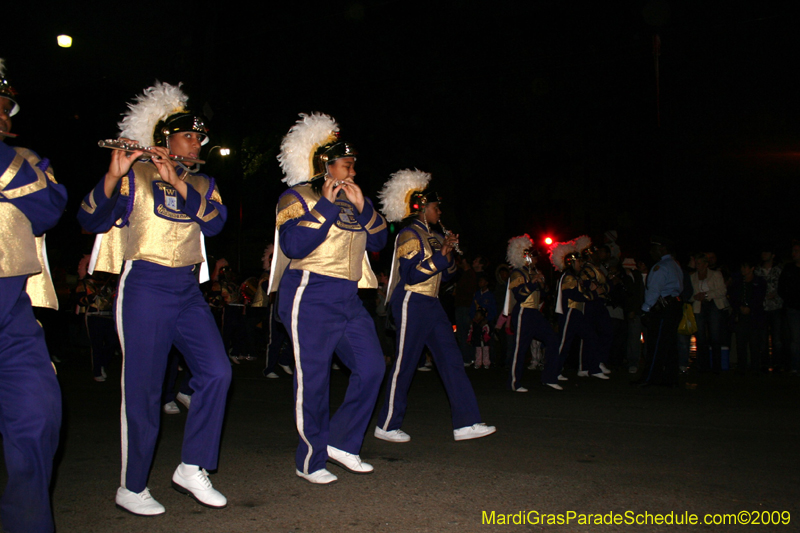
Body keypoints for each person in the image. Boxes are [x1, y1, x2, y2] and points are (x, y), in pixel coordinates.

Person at [77, 82, 231, 515]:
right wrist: (113, 174)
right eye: (187, 135)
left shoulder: (203, 181)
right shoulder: (135, 173)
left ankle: (191, 466)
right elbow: (88, 217)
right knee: (142, 389)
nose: (196, 143)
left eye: (199, 137)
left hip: (187, 290)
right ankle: (132, 486)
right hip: (145, 285)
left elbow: (216, 225)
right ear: (165, 138)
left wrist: (178, 183)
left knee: (218, 372)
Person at [268, 113, 387, 484]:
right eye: (346, 165)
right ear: (326, 165)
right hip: (309, 292)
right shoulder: (296, 197)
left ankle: (342, 443)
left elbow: (382, 241)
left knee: (372, 367)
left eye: (352, 165)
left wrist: (364, 206)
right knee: (314, 380)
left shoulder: (355, 201)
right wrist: (327, 204)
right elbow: (292, 245)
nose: (353, 171)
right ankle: (310, 460)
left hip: (349, 297)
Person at [374, 168, 495, 444]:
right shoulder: (407, 234)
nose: (439, 212)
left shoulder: (436, 236)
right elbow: (413, 275)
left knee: (451, 359)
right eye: (435, 207)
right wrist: (441, 256)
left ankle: (466, 423)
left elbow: (449, 275)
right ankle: (387, 425)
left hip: (432, 303)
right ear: (420, 207)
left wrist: (448, 252)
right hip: (411, 301)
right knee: (405, 363)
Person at [0, 58, 66, 533]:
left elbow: (49, 206)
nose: (5, 114)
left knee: (39, 417)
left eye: (7, 107)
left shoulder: (27, 157)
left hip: (13, 313)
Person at [504, 234, 561, 391]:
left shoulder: (532, 272)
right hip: (523, 312)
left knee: (553, 340)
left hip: (534, 313)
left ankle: (549, 377)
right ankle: (513, 383)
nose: (536, 260)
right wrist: (533, 282)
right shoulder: (517, 273)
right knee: (520, 348)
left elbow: (543, 294)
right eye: (533, 257)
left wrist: (541, 283)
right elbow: (520, 295)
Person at [550, 239, 605, 380]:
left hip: (576, 313)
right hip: (570, 313)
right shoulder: (568, 277)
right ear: (572, 263)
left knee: (591, 337)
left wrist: (589, 289)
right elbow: (573, 295)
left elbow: (580, 290)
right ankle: (554, 372)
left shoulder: (573, 277)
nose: (580, 264)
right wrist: (593, 294)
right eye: (578, 262)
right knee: (564, 343)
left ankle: (593, 368)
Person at [635, 237, 684, 387]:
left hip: (663, 308)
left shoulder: (660, 267)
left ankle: (650, 378)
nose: (651, 252)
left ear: (662, 249)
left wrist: (645, 310)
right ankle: (670, 378)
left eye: (654, 249)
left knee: (655, 344)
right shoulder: (675, 264)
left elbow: (654, 291)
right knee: (669, 344)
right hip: (674, 305)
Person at [690, 253, 729, 373]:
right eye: (697, 263)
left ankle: (716, 366)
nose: (698, 266)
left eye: (700, 263)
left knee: (715, 336)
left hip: (713, 305)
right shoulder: (693, 277)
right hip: (699, 306)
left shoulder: (715, 274)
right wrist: (695, 297)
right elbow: (689, 294)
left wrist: (706, 295)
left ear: (706, 264)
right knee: (701, 337)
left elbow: (722, 290)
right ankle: (703, 365)